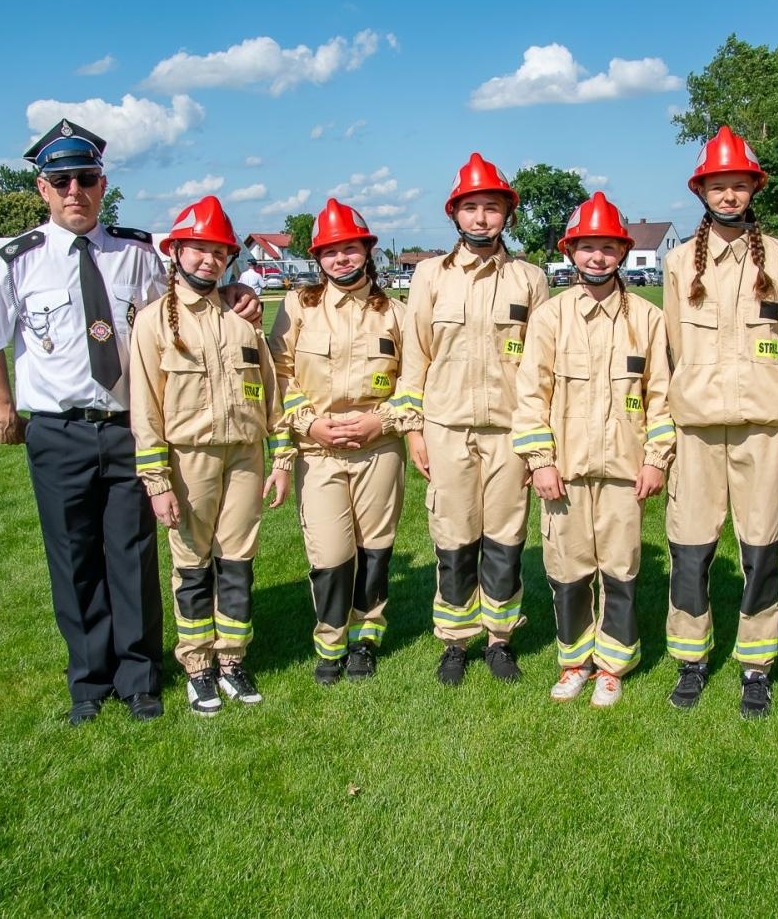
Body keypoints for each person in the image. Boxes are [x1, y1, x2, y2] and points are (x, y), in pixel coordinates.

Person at [0, 118, 263, 726]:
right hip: (57, 428)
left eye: (86, 179)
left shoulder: (135, 253)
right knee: (73, 557)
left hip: (128, 424)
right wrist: (4, 410)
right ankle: (89, 680)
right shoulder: (16, 261)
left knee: (131, 555)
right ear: (43, 191)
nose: (74, 190)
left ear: (103, 186)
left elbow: (196, 282)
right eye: (61, 181)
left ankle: (140, 676)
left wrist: (237, 290)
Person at [393, 152, 549, 686]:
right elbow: (415, 356)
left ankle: (501, 638)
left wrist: (537, 442)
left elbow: (539, 366)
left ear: (507, 214)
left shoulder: (531, 279)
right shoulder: (429, 276)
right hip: (446, 426)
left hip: (509, 431)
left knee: (505, 539)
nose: (482, 218)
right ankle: (456, 641)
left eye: (492, 208)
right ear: (454, 215)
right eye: (472, 208)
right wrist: (413, 429)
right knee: (454, 538)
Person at [130, 196, 291, 715]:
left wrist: (282, 457)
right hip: (187, 459)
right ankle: (197, 664)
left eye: (218, 252)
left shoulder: (243, 319)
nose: (208, 260)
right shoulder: (155, 321)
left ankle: (232, 659)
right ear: (176, 251)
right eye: (198, 249)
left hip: (246, 455)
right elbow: (145, 406)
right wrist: (156, 482)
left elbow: (271, 395)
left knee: (238, 562)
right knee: (193, 566)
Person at [513, 194, 674, 707]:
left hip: (625, 471)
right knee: (568, 571)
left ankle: (612, 665)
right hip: (566, 470)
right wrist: (539, 462)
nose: (597, 258)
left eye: (607, 247)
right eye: (587, 247)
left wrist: (655, 458)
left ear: (623, 252)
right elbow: (530, 395)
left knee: (621, 571)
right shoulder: (550, 317)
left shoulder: (648, 318)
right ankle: (574, 661)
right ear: (571, 251)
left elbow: (661, 395)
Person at [662, 126, 778, 718]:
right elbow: (672, 344)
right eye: (718, 187)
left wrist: (756, 385)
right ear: (702, 191)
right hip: (695, 426)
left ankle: (755, 663)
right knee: (691, 548)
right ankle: (692, 659)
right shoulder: (674, 263)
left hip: (759, 425)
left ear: (752, 189)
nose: (729, 196)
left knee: (760, 546)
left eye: (738, 186)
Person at [269, 200, 418, 684]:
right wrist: (308, 424)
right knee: (331, 553)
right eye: (330, 252)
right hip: (319, 451)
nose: (341, 260)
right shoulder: (298, 307)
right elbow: (279, 376)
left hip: (379, 449)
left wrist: (384, 422)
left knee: (375, 548)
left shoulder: (397, 313)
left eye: (349, 249)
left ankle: (366, 638)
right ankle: (330, 640)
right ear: (318, 259)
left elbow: (415, 382)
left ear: (366, 251)